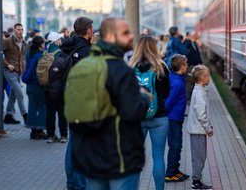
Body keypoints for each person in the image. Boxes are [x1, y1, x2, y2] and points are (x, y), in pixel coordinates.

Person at [69, 17, 150, 190]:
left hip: (90, 158)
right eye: (126, 33)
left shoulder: (82, 67)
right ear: (111, 37)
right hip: (119, 158)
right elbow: (132, 112)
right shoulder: (121, 70)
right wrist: (143, 97)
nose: (131, 36)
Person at [129, 35, 170, 190]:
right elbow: (166, 93)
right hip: (159, 117)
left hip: (137, 118)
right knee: (158, 157)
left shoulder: (131, 67)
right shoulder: (161, 67)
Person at [61, 17, 94, 190]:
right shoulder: (87, 51)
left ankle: (71, 183)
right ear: (88, 30)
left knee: (73, 143)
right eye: (92, 28)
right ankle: (80, 185)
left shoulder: (67, 46)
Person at [186, 65, 213, 190]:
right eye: (208, 76)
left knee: (199, 156)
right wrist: (208, 128)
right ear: (203, 78)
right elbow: (201, 114)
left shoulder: (198, 90)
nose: (209, 79)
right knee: (199, 157)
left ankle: (197, 179)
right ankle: (196, 181)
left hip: (196, 129)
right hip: (198, 130)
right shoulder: (200, 93)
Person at [164, 54, 190, 182]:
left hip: (177, 117)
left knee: (178, 145)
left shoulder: (176, 77)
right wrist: (165, 114)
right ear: (181, 66)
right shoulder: (177, 83)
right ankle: (170, 173)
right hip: (173, 118)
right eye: (186, 64)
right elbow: (169, 102)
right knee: (175, 146)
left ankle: (175, 170)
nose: (188, 66)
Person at [3, 23, 28, 124]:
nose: (20, 31)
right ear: (14, 30)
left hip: (19, 72)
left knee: (13, 94)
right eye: (18, 29)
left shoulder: (24, 43)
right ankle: (25, 115)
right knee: (19, 93)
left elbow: (23, 57)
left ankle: (8, 115)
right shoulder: (7, 41)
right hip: (9, 71)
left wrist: (24, 67)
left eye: (22, 30)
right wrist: (7, 64)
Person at [44, 32, 67, 143]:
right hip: (60, 89)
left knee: (50, 114)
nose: (61, 40)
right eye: (60, 39)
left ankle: (50, 136)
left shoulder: (45, 53)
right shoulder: (61, 54)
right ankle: (63, 136)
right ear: (56, 41)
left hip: (47, 89)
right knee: (62, 114)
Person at [24, 36, 48, 139]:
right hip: (38, 85)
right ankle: (40, 130)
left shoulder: (29, 53)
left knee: (32, 107)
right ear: (41, 45)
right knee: (41, 107)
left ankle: (33, 131)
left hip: (29, 85)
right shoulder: (40, 56)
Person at [183, 31, 203, 100]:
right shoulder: (188, 43)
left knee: (194, 82)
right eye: (197, 34)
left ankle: (192, 98)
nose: (198, 35)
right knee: (190, 82)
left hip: (195, 65)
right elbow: (185, 52)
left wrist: (200, 62)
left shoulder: (194, 43)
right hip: (190, 65)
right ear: (192, 35)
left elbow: (197, 54)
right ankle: (188, 98)